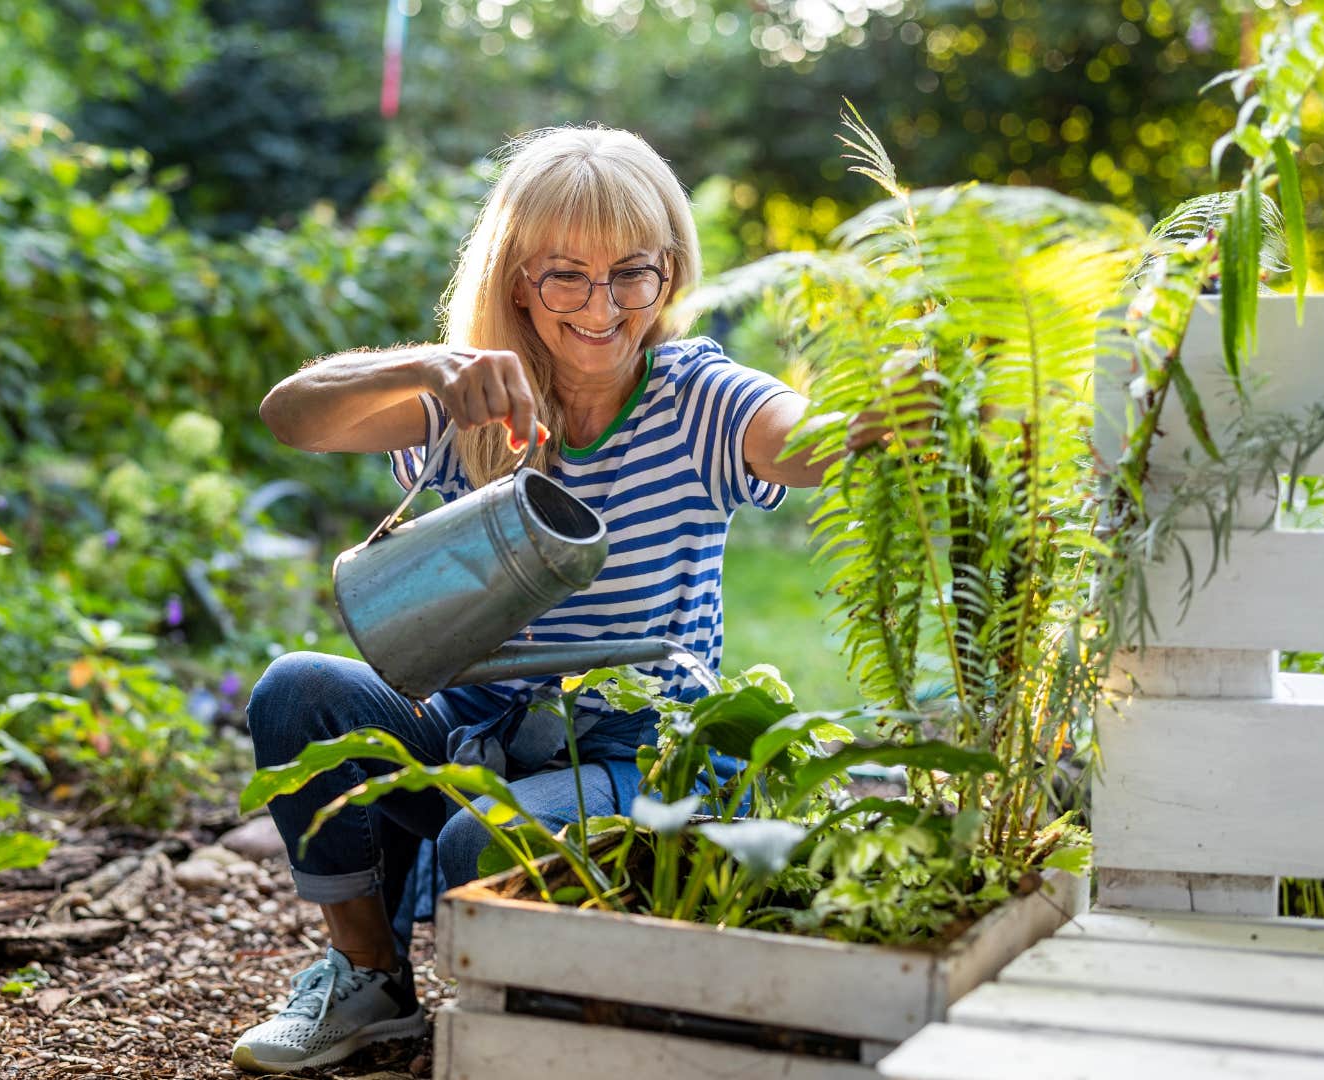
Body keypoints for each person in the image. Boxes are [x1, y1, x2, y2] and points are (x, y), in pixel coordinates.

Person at [231, 125, 888, 1073]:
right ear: (517, 282)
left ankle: (556, 1020)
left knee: (479, 844)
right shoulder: (476, 399)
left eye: (632, 274)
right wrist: (430, 367)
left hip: (633, 751)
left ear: (670, 273)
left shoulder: (699, 398)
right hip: (476, 727)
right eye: (566, 277)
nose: (602, 306)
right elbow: (291, 416)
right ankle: (369, 980)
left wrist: (884, 414)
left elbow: (802, 438)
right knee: (298, 691)